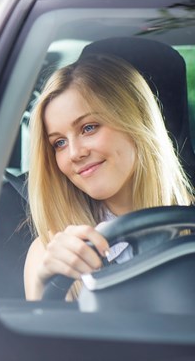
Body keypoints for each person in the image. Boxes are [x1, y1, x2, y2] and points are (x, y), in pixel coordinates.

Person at [23, 53, 194, 301]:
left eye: (88, 128)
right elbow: (39, 340)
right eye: (59, 143)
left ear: (137, 120)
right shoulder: (51, 253)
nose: (74, 154)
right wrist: (44, 289)